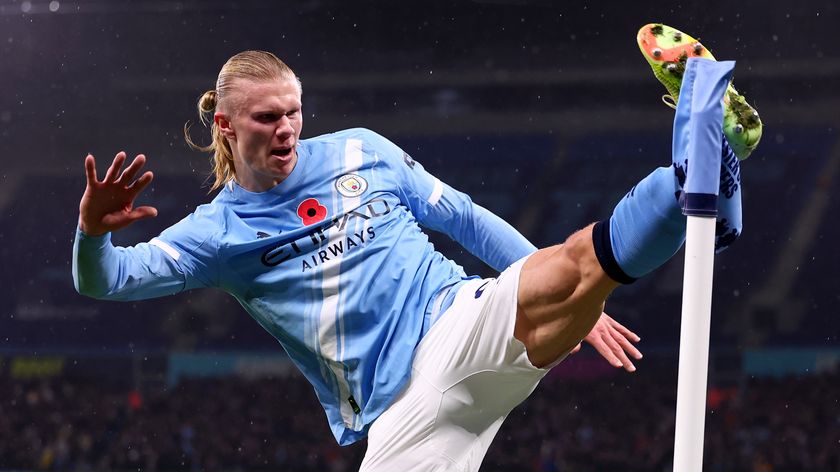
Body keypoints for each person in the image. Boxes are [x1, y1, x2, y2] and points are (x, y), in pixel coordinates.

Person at [73, 41, 758, 470]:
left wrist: (572, 294)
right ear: (225, 124)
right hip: (400, 409)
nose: (286, 129)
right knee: (578, 271)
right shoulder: (216, 234)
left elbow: (460, 216)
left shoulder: (360, 151)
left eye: (293, 112)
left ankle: (695, 170)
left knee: (580, 261)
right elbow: (108, 282)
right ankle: (705, 188)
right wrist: (93, 233)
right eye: (266, 118)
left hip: (457, 318)